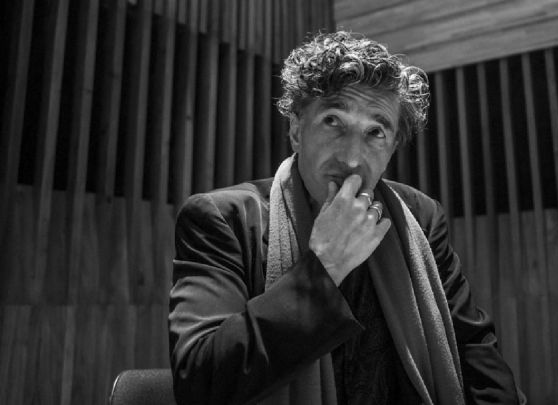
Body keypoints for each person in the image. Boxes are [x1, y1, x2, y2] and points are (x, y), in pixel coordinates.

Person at [169, 31, 522, 404]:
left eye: (375, 132)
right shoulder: (224, 218)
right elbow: (200, 382)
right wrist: (322, 270)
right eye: (333, 121)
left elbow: (476, 356)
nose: (352, 158)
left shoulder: (421, 216)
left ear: (393, 147)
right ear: (296, 130)